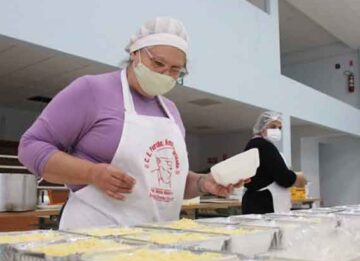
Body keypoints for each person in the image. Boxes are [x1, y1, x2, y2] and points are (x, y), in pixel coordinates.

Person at [18, 16, 244, 229]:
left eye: (176, 70)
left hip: (152, 244)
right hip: (92, 239)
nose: (166, 74)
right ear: (135, 52)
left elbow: (164, 185)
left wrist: (203, 183)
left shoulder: (171, 112)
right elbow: (30, 146)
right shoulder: (92, 91)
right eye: (158, 63)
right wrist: (92, 173)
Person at [241, 111, 307, 214]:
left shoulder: (254, 144)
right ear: (262, 128)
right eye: (273, 126)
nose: (277, 130)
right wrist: (298, 177)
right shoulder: (264, 146)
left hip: (256, 201)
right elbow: (283, 178)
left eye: (279, 128)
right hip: (264, 203)